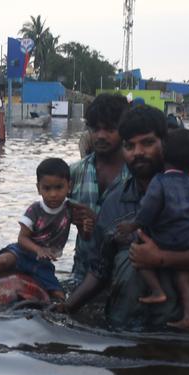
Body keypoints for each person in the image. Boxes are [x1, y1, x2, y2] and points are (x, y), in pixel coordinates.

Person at [60, 105, 189, 332]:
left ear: (165, 144)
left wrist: (162, 258)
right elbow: (99, 270)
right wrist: (64, 308)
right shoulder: (115, 202)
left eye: (147, 143)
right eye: (129, 146)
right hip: (124, 334)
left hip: (185, 338)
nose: (137, 152)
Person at [119, 128, 189, 330]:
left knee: (139, 255)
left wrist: (133, 225)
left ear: (163, 156)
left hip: (163, 240)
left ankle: (157, 290)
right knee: (184, 280)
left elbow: (148, 209)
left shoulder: (160, 181)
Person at [0, 158, 74, 302]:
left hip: (42, 263)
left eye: (58, 187)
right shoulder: (35, 210)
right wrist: (38, 249)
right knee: (2, 261)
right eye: (47, 188)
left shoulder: (71, 210)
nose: (53, 194)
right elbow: (22, 238)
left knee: (59, 295)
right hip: (23, 253)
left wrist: (86, 226)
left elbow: (85, 233)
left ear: (69, 186)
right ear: (38, 188)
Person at [69, 93, 130, 284]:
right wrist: (70, 217)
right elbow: (54, 217)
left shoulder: (137, 177)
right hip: (81, 274)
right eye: (95, 129)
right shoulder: (75, 172)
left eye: (110, 129)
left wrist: (99, 223)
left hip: (124, 279)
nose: (101, 136)